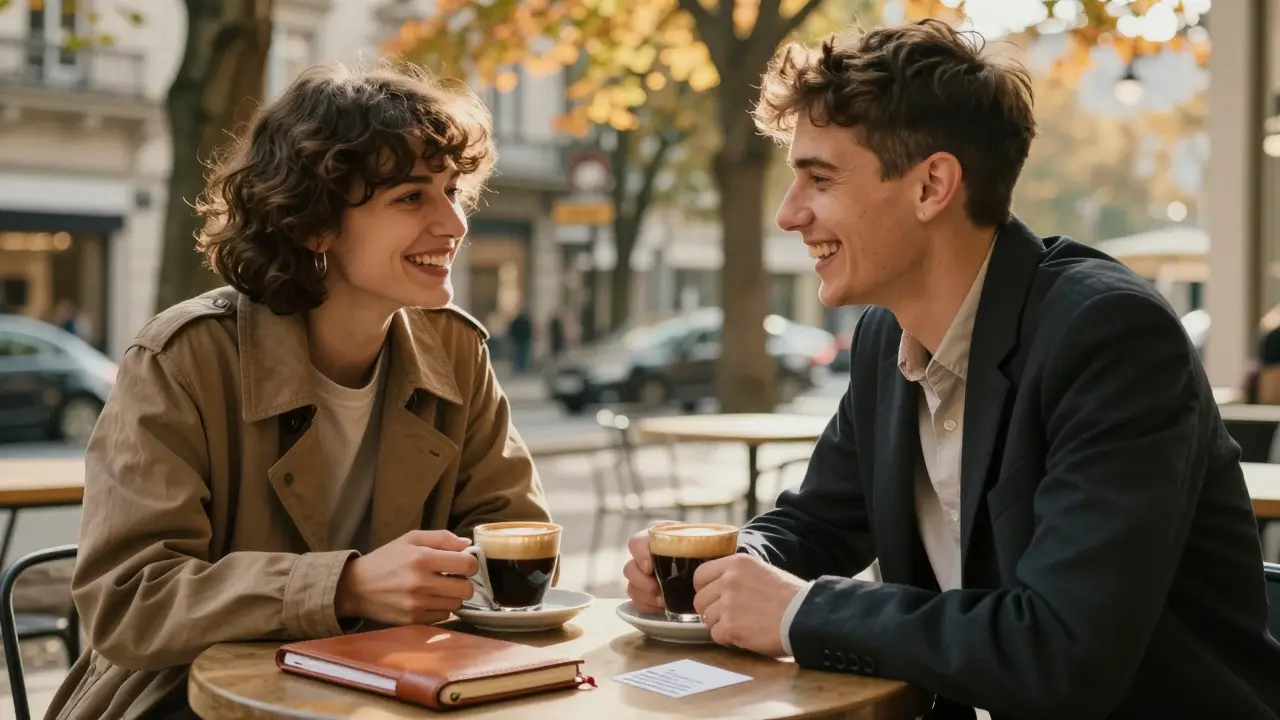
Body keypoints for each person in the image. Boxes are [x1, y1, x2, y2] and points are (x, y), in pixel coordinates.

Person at [623, 20, 1280, 719]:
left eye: (819, 178)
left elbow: (1062, 651)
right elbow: (816, 526)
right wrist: (716, 567)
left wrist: (799, 611)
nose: (789, 215)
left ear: (932, 184)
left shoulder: (1109, 338)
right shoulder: (887, 336)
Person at [47, 61, 551, 719]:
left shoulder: (457, 351)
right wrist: (346, 587)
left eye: (453, 192)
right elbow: (129, 600)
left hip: (394, 690)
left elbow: (516, 539)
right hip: (189, 700)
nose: (453, 224)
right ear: (314, 224)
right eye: (411, 198)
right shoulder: (184, 357)